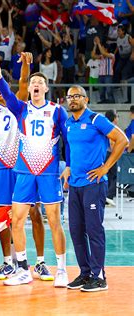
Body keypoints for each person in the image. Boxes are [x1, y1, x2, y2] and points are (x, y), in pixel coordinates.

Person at [0, 60, 69, 287]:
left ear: (46, 88)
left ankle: (62, 270)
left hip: (48, 173)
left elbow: (68, 140)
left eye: (40, 82)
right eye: (33, 82)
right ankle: (24, 270)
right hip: (24, 171)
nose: (35, 84)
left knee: (54, 220)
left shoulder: (57, 110)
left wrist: (70, 165)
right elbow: (7, 96)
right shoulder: (21, 108)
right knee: (16, 220)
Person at [61, 85, 128, 292]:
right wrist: (70, 167)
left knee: (93, 230)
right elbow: (71, 148)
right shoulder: (69, 123)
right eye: (69, 96)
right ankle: (84, 274)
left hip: (93, 184)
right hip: (75, 185)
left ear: (86, 99)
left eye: (77, 96)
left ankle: (99, 276)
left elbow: (122, 140)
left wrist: (105, 167)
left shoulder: (95, 120)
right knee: (76, 230)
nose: (72, 99)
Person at [104, 110, 120, 206]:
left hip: (105, 154)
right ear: (114, 118)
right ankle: (109, 196)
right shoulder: (112, 128)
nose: (118, 118)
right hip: (111, 154)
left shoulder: (104, 127)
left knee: (109, 176)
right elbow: (112, 143)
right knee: (118, 176)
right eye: (117, 116)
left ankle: (106, 197)